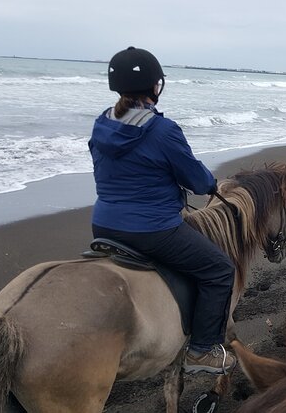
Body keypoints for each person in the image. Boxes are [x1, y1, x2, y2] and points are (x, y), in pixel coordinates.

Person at [88, 46, 236, 375]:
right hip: (153, 230)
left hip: (103, 226)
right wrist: (211, 184)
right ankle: (201, 350)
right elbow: (195, 180)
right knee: (220, 270)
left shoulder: (102, 125)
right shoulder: (162, 130)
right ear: (156, 87)